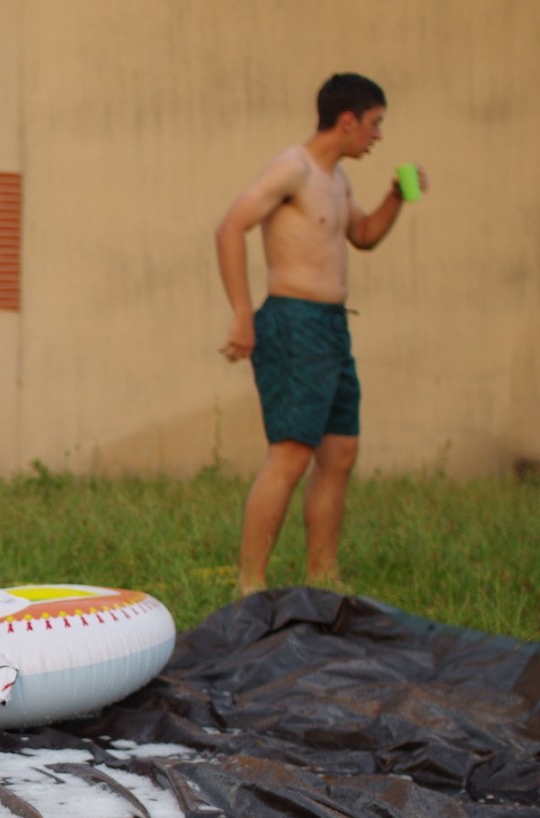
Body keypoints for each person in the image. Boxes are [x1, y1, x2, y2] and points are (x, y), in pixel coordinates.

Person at [215, 72, 421, 596]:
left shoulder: (338, 179)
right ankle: (250, 585)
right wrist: (242, 313)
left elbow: (363, 235)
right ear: (347, 120)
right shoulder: (294, 168)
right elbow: (230, 227)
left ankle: (323, 577)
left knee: (340, 453)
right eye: (375, 124)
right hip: (293, 322)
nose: (378, 136)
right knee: (291, 453)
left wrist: (396, 196)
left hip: (332, 326)